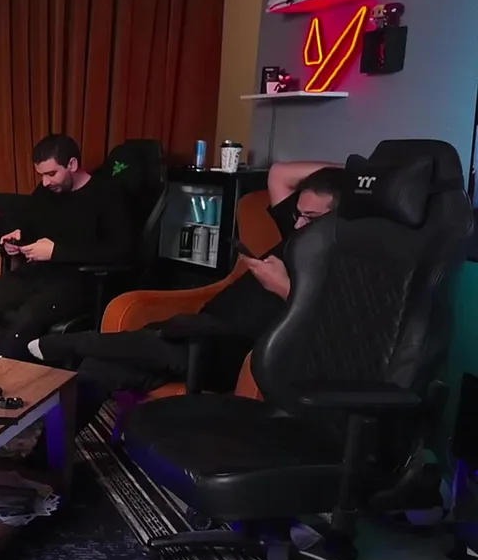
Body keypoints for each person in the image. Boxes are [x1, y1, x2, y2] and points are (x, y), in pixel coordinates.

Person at [29, 161, 345, 446]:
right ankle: (43, 466)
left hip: (236, 349)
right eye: (299, 214)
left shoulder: (348, 264)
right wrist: (359, 175)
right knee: (99, 368)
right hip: (202, 325)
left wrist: (282, 286)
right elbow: (280, 173)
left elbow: (326, 325)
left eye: (311, 218)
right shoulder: (298, 231)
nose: (299, 224)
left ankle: (75, 343)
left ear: (342, 220)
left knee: (160, 347)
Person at [0, 134, 133, 357]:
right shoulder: (46, 192)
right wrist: (17, 239)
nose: (45, 182)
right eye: (42, 175)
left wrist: (56, 252)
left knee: (27, 317)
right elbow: (27, 224)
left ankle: (13, 369)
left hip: (80, 281)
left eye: (51, 174)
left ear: (72, 164)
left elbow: (121, 251)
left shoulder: (108, 194)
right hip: (38, 273)